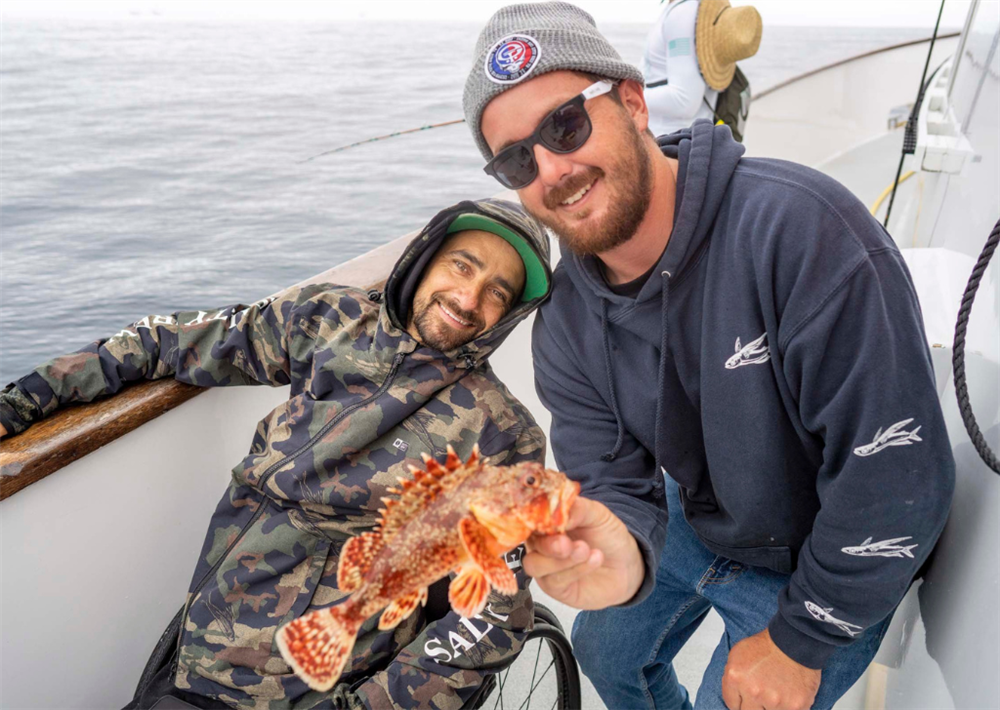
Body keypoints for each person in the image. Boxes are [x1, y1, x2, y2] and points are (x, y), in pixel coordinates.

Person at [462, 3, 955, 710]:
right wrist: (622, 553)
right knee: (605, 655)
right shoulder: (564, 317)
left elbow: (899, 473)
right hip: (699, 515)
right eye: (517, 159)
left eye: (564, 125)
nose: (552, 169)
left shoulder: (805, 233)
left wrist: (799, 640)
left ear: (632, 103)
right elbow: (609, 479)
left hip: (828, 546)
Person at [0, 198, 553, 710]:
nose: (469, 298)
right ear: (425, 258)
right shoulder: (328, 321)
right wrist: (24, 400)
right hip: (201, 654)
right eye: (462, 265)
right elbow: (171, 341)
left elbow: (494, 616)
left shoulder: (502, 436)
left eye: (499, 292)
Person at [643, 0, 760, 137]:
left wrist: (627, 95)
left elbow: (684, 101)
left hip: (671, 142)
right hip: (684, 139)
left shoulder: (682, 13)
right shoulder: (686, 10)